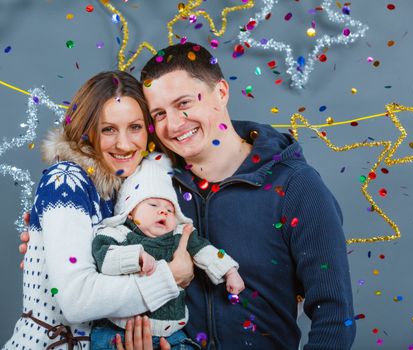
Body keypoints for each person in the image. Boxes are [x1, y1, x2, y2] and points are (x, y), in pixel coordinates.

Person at [20, 42, 356, 349]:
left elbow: (334, 317)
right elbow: (95, 253)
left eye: (184, 104)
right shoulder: (151, 183)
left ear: (220, 92)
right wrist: (43, 245)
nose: (175, 124)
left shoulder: (295, 187)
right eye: (159, 114)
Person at [6, 70, 194, 350]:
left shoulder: (122, 194)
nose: (124, 143)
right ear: (87, 131)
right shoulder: (66, 180)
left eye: (135, 127)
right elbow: (76, 300)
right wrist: (170, 277)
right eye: (108, 129)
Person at [90, 153, 244, 349]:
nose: (162, 211)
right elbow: (104, 257)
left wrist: (230, 271)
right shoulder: (119, 234)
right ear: (130, 211)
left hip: (171, 333)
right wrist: (135, 256)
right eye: (153, 205)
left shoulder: (180, 235)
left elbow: (207, 251)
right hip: (118, 329)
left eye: (170, 210)